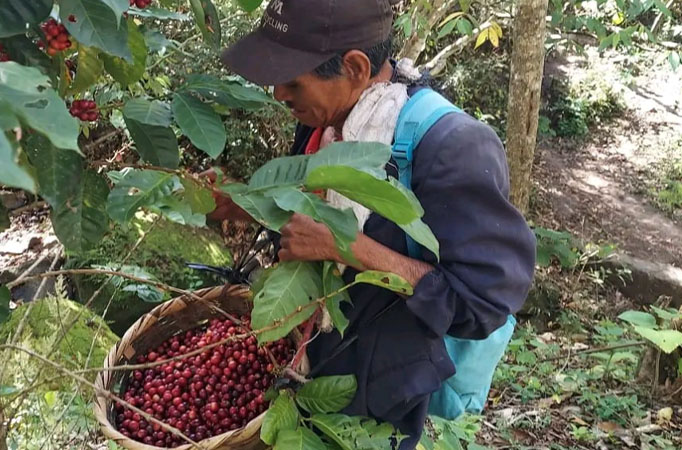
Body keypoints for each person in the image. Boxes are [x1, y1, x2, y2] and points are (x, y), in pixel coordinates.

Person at [208, 0, 537, 447]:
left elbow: (479, 303)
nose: (279, 93)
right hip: (302, 362)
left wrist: (346, 246)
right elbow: (308, 213)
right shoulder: (326, 120)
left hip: (374, 399)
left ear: (355, 68)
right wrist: (237, 203)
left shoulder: (452, 147)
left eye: (293, 80)